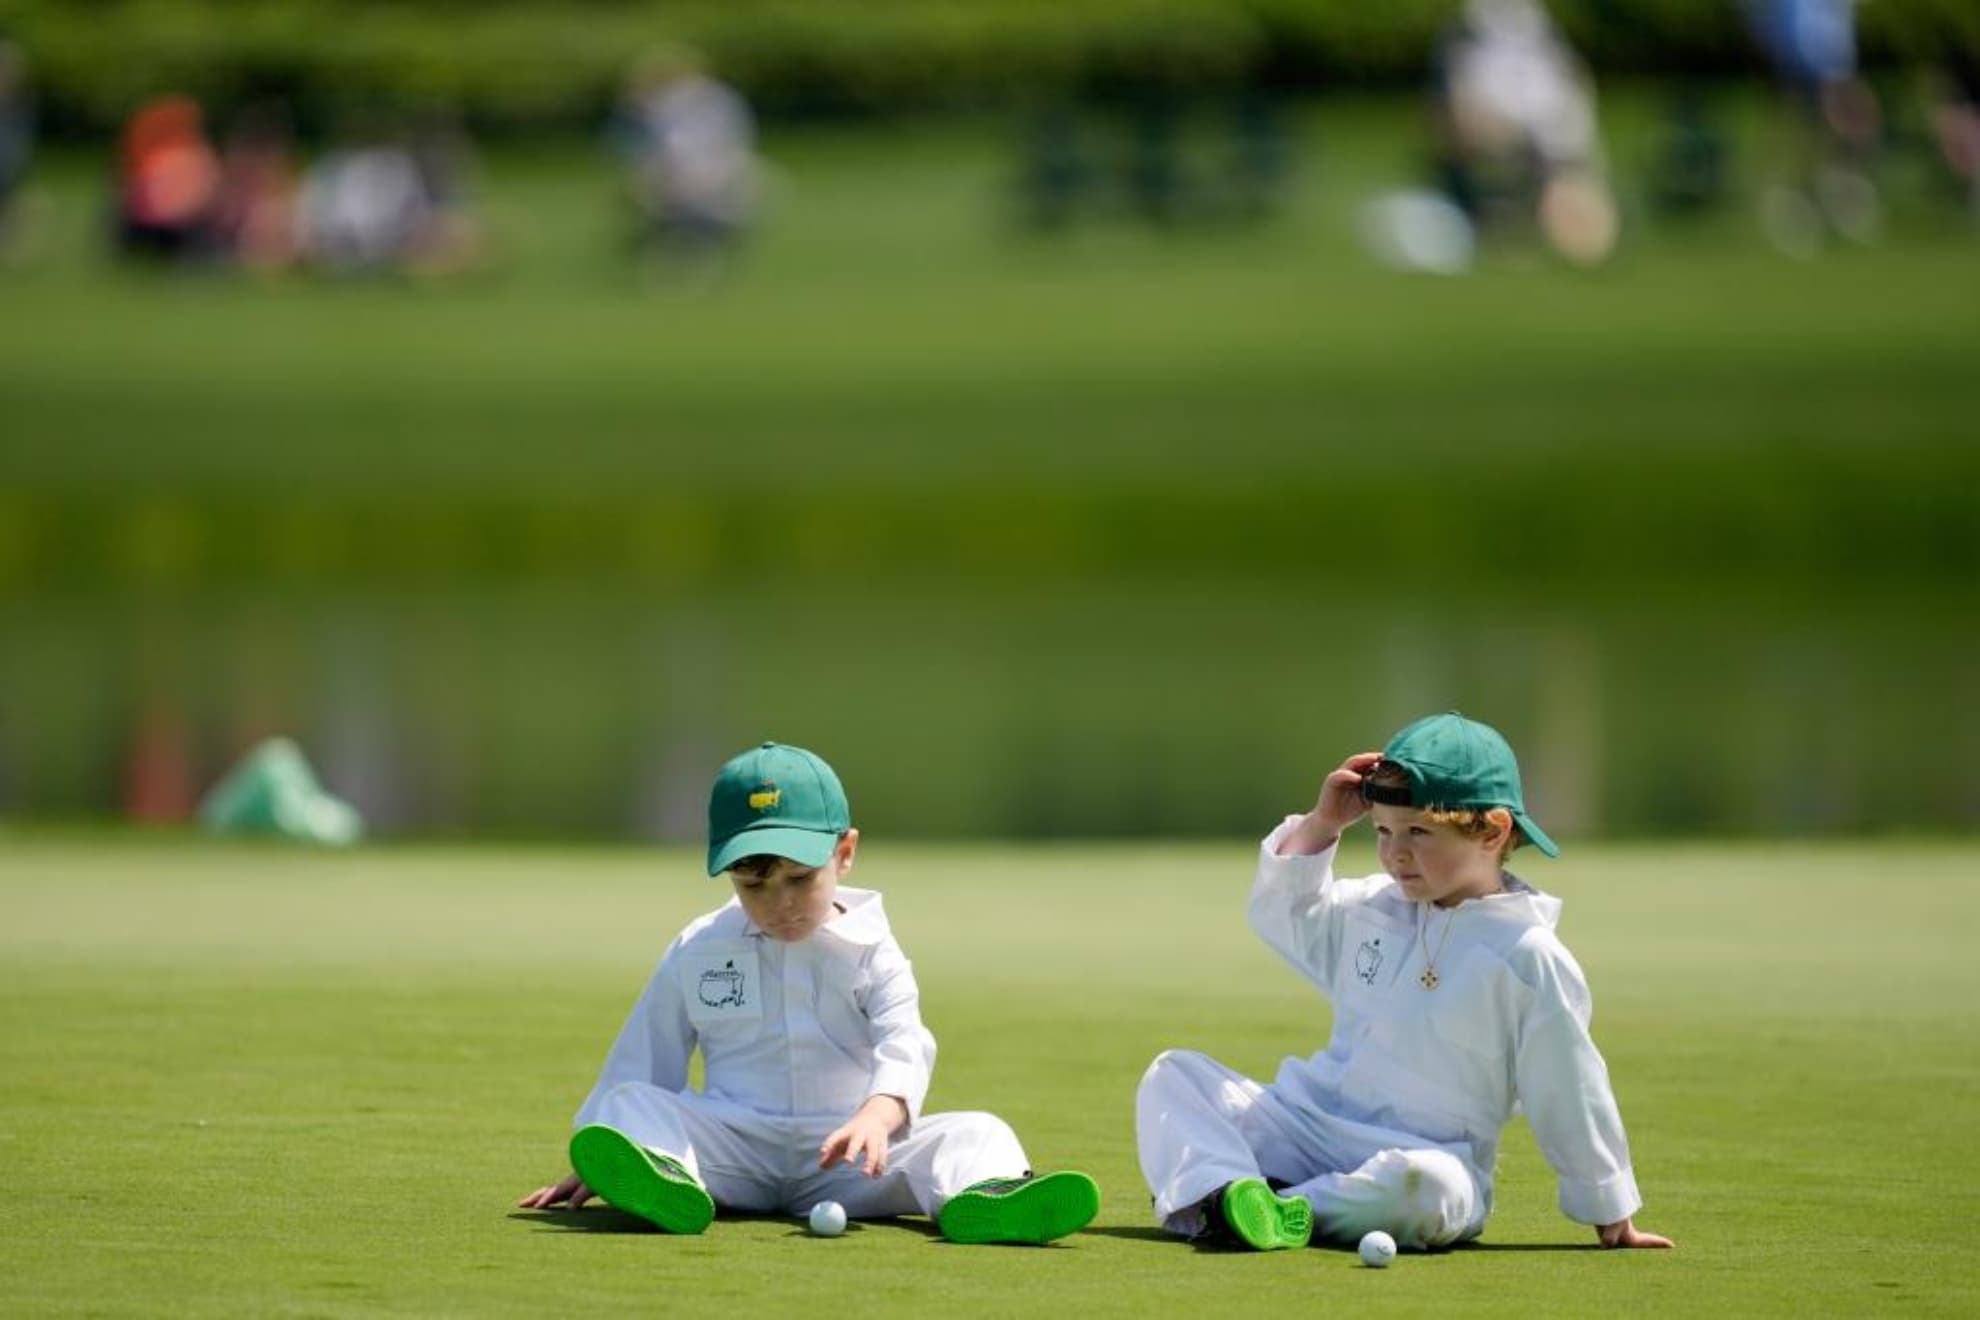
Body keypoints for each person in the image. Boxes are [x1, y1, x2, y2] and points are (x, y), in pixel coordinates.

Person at [518, 741, 1100, 1244]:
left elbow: (905, 1042)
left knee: (980, 1131)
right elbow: (646, 1055)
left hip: (852, 1155)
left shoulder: (876, 950)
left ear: (844, 854)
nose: (780, 904)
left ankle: (987, 1197)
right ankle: (663, 1179)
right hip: (733, 1148)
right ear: (730, 875)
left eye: (800, 880)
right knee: (628, 1107)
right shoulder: (700, 946)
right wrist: (603, 1146)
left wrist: (878, 1113)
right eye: (754, 885)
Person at [1136, 712, 1672, 1253]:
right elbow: (1281, 915)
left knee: (1431, 1191)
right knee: (1175, 1075)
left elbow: (1569, 1085)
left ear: (1492, 831)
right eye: (1384, 831)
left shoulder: (1528, 958)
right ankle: (1233, 1194)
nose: (1395, 853)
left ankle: (1276, 1207)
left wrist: (1609, 1208)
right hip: (1306, 1128)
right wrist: (1323, 825)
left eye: (1419, 832)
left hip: (1426, 1158)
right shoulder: (1372, 906)